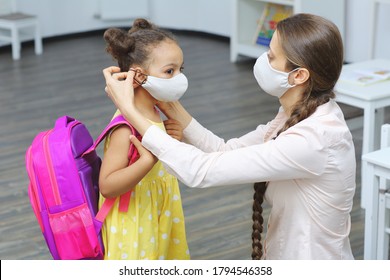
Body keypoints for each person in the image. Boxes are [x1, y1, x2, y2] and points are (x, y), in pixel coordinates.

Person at [103, 13, 356, 260]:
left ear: (298, 75)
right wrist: (172, 107)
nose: (262, 61)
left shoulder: (315, 140)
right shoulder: (294, 116)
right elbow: (225, 150)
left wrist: (129, 109)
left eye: (270, 56)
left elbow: (200, 170)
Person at [98, 18, 190, 260]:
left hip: (159, 209)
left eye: (181, 69)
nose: (179, 77)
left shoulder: (155, 111)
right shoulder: (124, 127)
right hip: (135, 220)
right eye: (170, 71)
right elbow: (107, 186)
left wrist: (173, 142)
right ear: (139, 76)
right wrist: (146, 161)